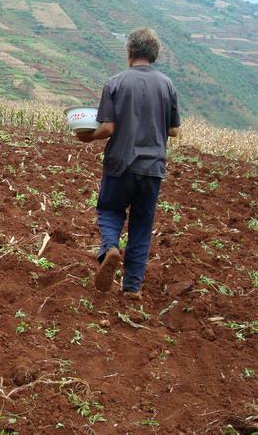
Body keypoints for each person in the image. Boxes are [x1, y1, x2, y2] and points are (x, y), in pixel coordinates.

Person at [76, 27, 180, 299]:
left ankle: (110, 248)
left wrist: (86, 137)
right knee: (141, 226)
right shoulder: (167, 85)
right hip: (153, 168)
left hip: (120, 163)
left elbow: (108, 128)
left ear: (130, 51)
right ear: (154, 54)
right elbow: (174, 130)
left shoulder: (115, 82)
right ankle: (132, 288)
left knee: (109, 210)